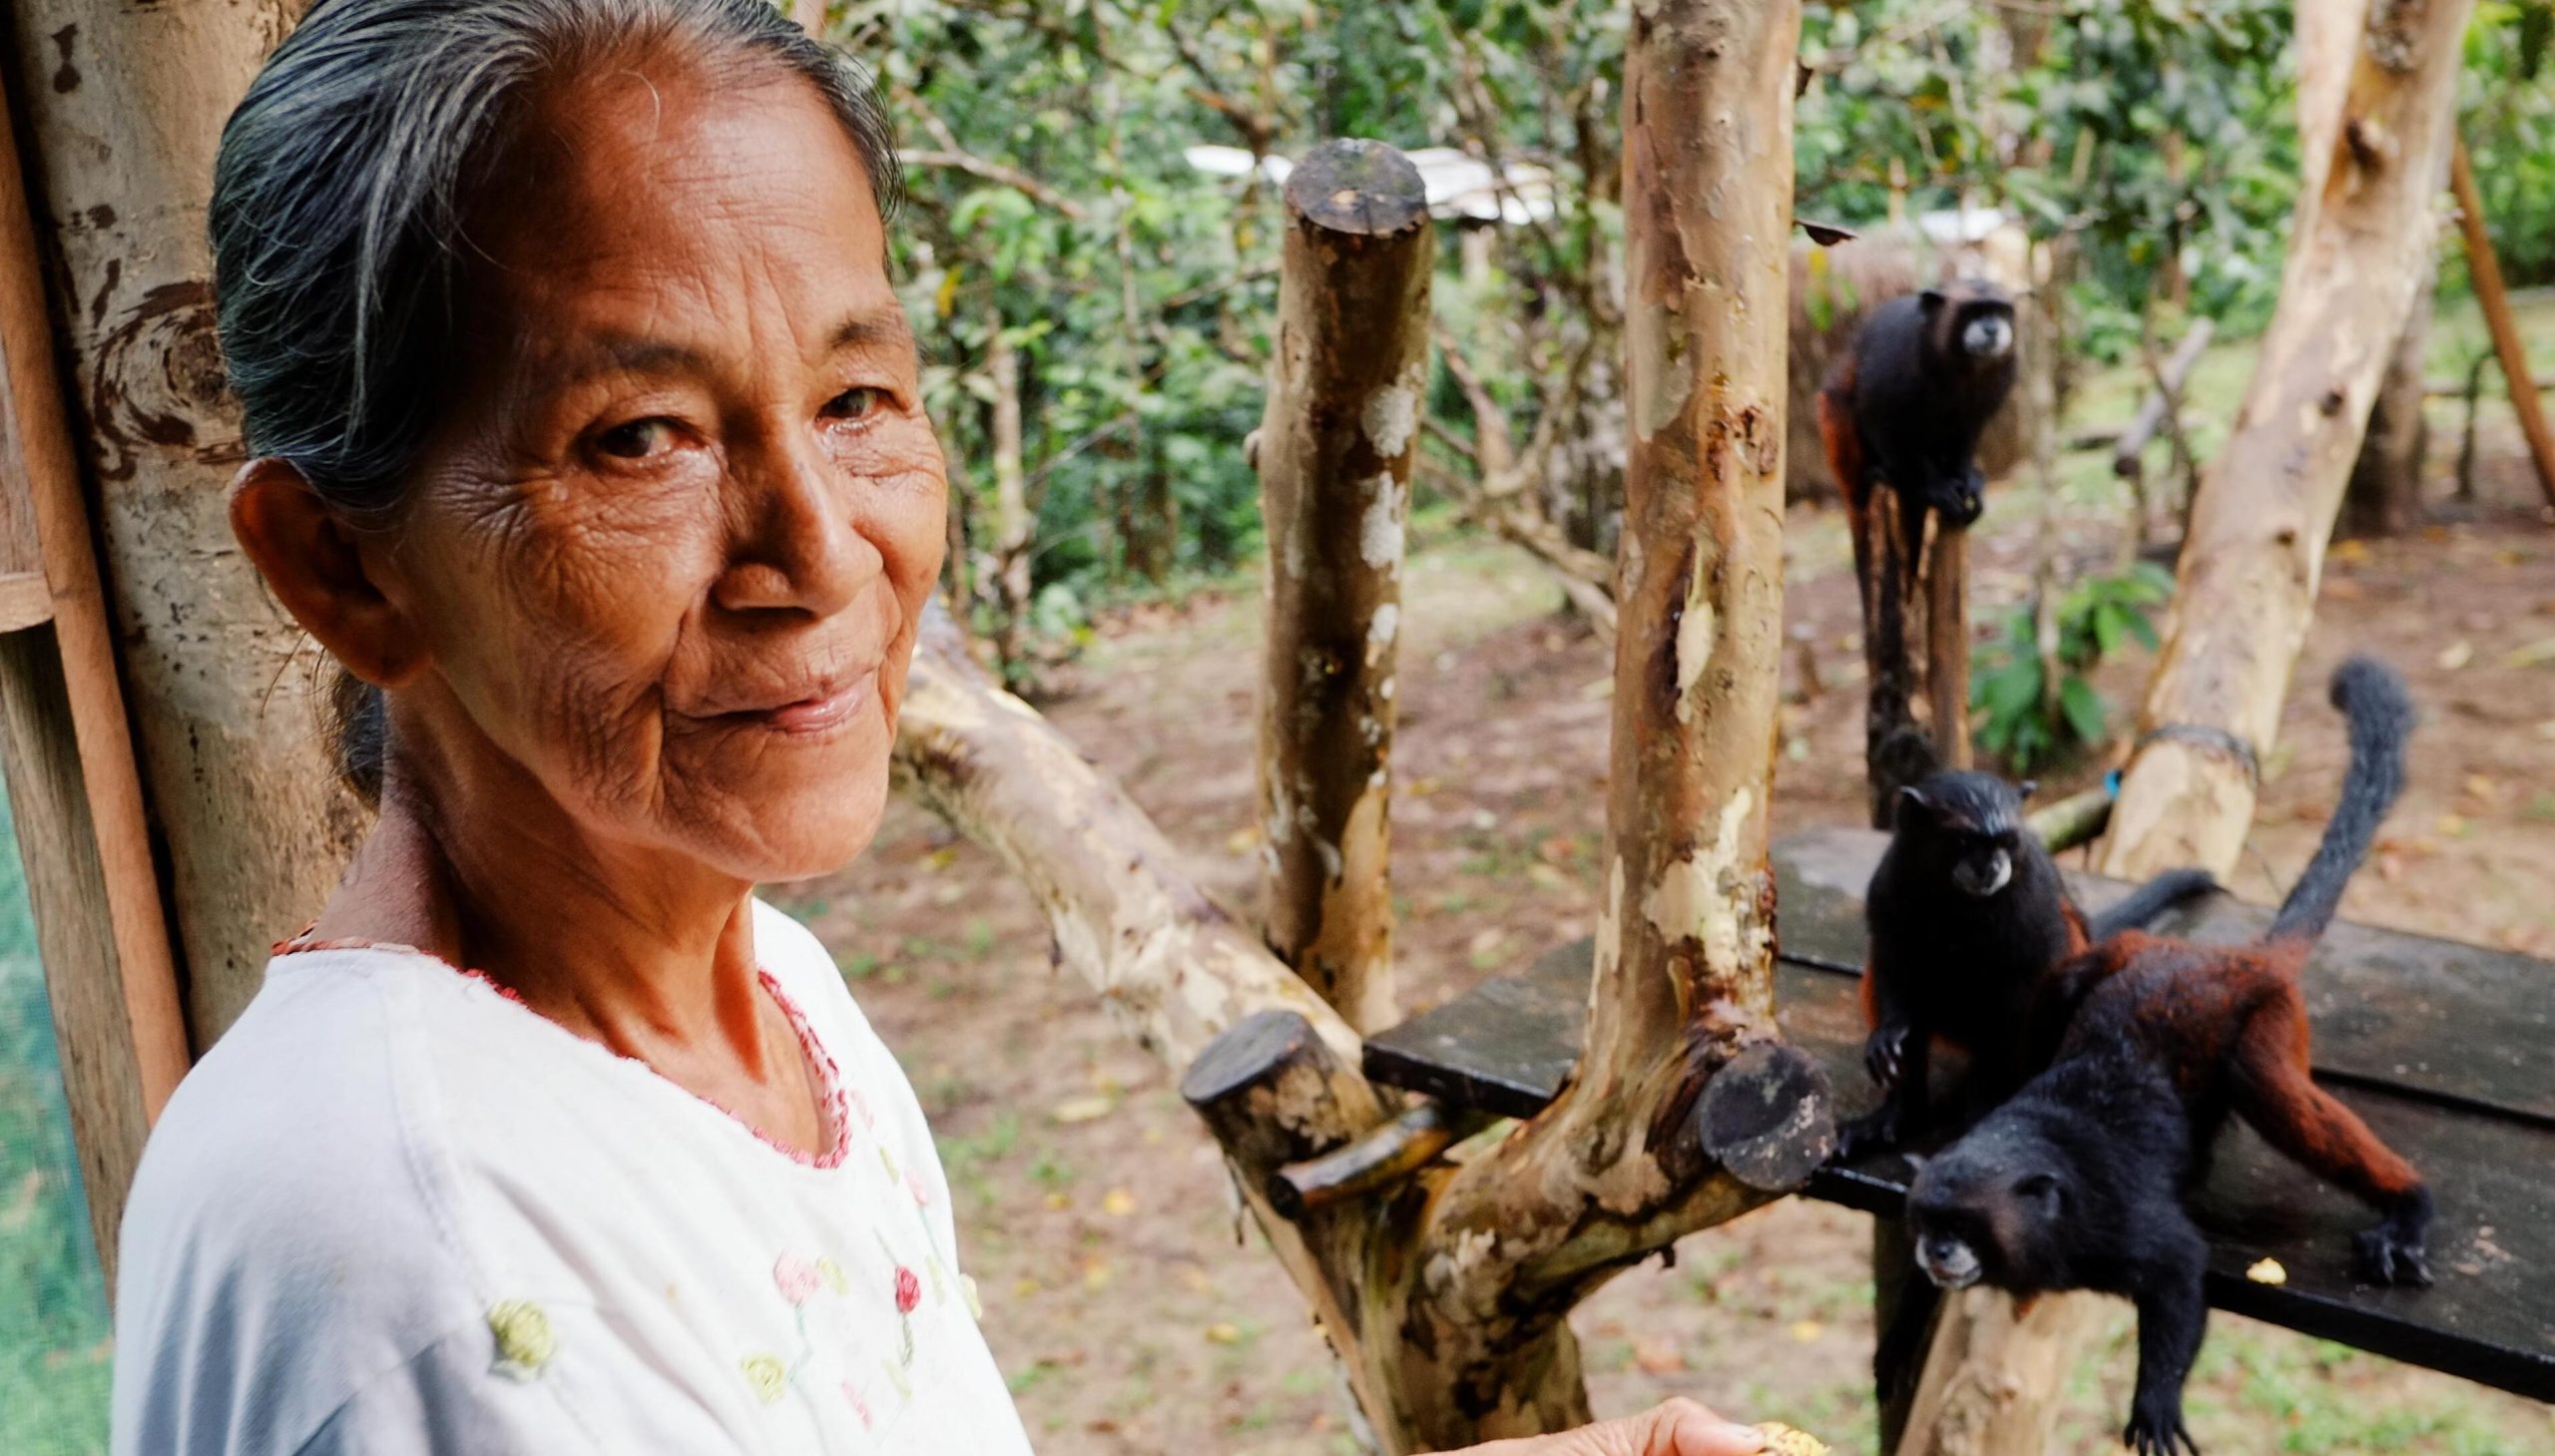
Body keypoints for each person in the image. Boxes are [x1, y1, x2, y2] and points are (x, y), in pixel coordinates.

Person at [109, 3, 1772, 1453]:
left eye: (854, 401)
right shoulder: (445, 1275)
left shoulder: (767, 1008)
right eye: (638, 439)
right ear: (342, 567)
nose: (822, 552)